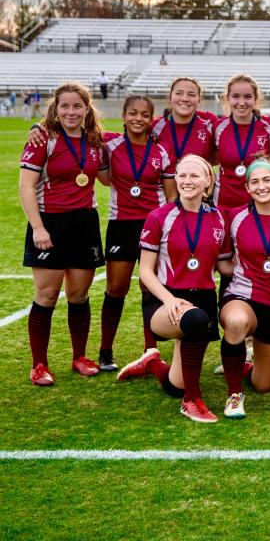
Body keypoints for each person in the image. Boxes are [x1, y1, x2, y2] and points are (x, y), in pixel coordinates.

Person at [117, 154, 233, 423]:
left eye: (194, 176)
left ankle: (153, 364)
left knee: (174, 384)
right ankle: (192, 400)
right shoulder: (159, 216)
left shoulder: (218, 218)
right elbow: (145, 270)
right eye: (182, 175)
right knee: (195, 320)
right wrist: (169, 300)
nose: (187, 181)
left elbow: (225, 267)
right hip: (164, 299)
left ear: (208, 181)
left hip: (202, 298)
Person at [19, 84, 107, 386]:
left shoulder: (96, 140)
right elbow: (26, 187)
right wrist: (39, 228)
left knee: (79, 295)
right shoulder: (43, 138)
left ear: (87, 109)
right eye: (65, 106)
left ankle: (79, 357)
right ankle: (39, 364)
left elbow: (107, 178)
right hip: (50, 224)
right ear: (55, 109)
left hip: (84, 223)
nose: (71, 112)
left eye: (77, 106)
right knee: (46, 296)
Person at [218, 158, 270, 418]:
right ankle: (233, 396)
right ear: (247, 188)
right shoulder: (235, 217)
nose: (261, 186)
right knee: (236, 322)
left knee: (265, 385)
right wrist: (247, 272)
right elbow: (224, 264)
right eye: (255, 182)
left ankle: (239, 362)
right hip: (243, 296)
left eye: (267, 180)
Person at [99, 95, 175, 370]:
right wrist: (39, 126)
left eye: (145, 114)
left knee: (148, 287)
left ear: (151, 119)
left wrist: (168, 226)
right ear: (123, 115)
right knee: (116, 288)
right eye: (133, 113)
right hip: (121, 224)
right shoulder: (110, 145)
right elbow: (82, 131)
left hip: (152, 225)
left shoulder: (161, 151)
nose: (138, 119)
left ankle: (150, 348)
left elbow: (170, 196)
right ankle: (105, 350)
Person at [212, 75, 270, 213]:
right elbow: (213, 159)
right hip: (223, 205)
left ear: (255, 99)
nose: (241, 102)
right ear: (228, 98)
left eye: (247, 97)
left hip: (260, 205)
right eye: (236, 96)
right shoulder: (218, 128)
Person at [151, 77, 217, 164]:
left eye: (191, 95)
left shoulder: (210, 123)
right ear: (170, 97)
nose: (185, 99)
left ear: (199, 100)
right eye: (179, 93)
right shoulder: (155, 127)